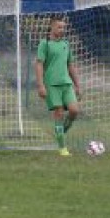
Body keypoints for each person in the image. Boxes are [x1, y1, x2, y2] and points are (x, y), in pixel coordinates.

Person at [35, 16, 82, 157]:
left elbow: (70, 65)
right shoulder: (45, 43)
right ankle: (62, 148)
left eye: (63, 27)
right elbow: (39, 64)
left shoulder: (66, 44)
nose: (62, 30)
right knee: (59, 114)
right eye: (59, 27)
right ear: (52, 27)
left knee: (74, 111)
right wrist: (40, 85)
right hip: (51, 85)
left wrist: (77, 85)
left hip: (66, 84)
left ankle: (61, 132)